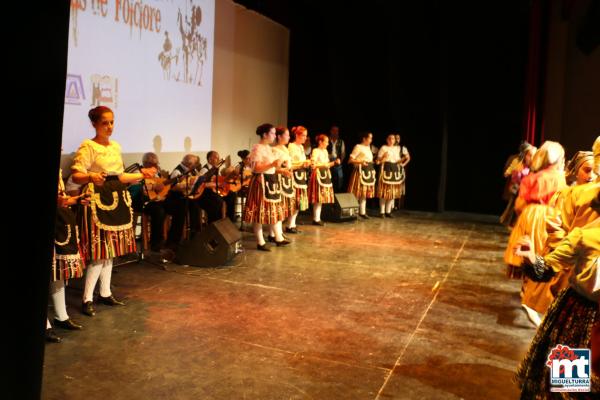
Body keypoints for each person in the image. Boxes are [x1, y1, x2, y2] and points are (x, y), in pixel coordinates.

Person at [71, 106, 156, 316]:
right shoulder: (88, 146)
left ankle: (106, 292)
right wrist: (91, 176)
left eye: (112, 122)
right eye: (105, 123)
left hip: (116, 197)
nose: (109, 127)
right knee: (99, 252)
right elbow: (76, 176)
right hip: (97, 201)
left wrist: (141, 175)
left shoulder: (115, 146)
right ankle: (87, 298)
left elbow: (120, 176)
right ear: (94, 124)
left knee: (111, 251)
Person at [514, 223, 600, 398]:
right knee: (570, 386)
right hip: (580, 318)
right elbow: (546, 269)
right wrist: (531, 258)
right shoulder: (587, 236)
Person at [503, 141, 566, 326]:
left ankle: (527, 290)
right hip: (550, 217)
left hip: (530, 215)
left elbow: (519, 205)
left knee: (527, 253)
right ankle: (534, 294)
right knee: (544, 254)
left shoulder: (531, 178)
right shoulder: (559, 179)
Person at [46, 168, 87, 342]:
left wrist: (75, 200)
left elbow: (61, 199)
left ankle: (61, 316)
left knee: (57, 272)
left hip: (59, 223)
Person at [243, 123, 289, 251]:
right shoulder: (257, 148)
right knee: (259, 211)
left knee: (273, 209)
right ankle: (260, 241)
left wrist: (282, 170)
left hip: (270, 181)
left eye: (275, 133)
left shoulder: (268, 148)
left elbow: (271, 167)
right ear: (264, 134)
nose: (275, 135)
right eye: (272, 133)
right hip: (261, 182)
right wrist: (273, 164)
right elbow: (256, 168)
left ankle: (278, 237)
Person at [128, 152, 167, 253]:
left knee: (168, 205)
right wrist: (145, 188)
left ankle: (164, 240)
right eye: (151, 165)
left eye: (155, 164)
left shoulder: (157, 172)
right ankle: (155, 243)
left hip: (152, 201)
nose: (155, 167)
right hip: (138, 202)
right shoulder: (137, 171)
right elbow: (132, 189)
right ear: (145, 163)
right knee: (159, 211)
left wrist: (160, 196)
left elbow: (159, 187)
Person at [163, 154, 201, 252]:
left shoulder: (193, 171)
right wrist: (186, 186)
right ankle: (173, 242)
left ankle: (195, 235)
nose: (196, 165)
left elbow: (197, 180)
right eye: (194, 163)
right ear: (189, 163)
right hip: (174, 199)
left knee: (195, 206)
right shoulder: (177, 171)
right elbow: (173, 187)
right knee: (181, 210)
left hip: (185, 198)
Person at [267, 127, 295, 242]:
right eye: (286, 135)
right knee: (276, 208)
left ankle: (277, 233)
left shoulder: (285, 148)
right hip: (277, 180)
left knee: (282, 208)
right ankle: (272, 234)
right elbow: (272, 168)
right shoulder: (274, 149)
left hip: (286, 181)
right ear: (279, 137)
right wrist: (282, 169)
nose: (288, 137)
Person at [500, 142, 536, 227]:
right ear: (525, 155)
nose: (531, 158)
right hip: (517, 188)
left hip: (526, 190)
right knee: (513, 205)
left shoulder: (533, 167)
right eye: (529, 155)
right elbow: (513, 172)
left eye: (533, 156)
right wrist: (508, 173)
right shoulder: (518, 163)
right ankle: (510, 222)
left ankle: (516, 223)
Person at [309, 134, 340, 225]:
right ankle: (316, 219)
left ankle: (318, 218)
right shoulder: (315, 150)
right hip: (318, 175)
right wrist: (325, 164)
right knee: (318, 197)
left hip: (325, 174)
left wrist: (334, 163)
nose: (327, 144)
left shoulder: (325, 151)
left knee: (321, 198)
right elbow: (313, 165)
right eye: (326, 142)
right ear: (320, 142)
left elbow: (327, 164)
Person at [287, 126, 312, 233]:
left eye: (306, 136)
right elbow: (290, 163)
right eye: (303, 135)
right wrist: (302, 164)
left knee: (298, 202)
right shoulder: (291, 146)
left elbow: (301, 162)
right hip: (294, 176)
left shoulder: (301, 147)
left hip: (301, 175)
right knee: (294, 201)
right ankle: (289, 225)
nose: (305, 138)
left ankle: (292, 224)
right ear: (297, 135)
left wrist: (307, 163)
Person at [348, 132, 377, 219]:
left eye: (371, 138)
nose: (371, 140)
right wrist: (360, 162)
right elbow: (350, 160)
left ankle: (363, 212)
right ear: (364, 138)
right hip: (360, 172)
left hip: (368, 172)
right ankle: (354, 213)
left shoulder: (368, 148)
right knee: (357, 192)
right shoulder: (358, 147)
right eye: (370, 138)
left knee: (364, 193)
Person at [196, 151, 227, 223]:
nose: (219, 159)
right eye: (217, 158)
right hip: (205, 194)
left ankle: (227, 222)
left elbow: (219, 180)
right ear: (209, 159)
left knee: (231, 195)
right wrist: (217, 184)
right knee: (217, 202)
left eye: (218, 157)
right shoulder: (204, 170)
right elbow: (203, 184)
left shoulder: (216, 169)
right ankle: (214, 224)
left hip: (214, 192)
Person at [376, 134, 403, 218]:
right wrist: (383, 157)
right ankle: (382, 212)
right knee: (384, 191)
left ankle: (388, 211)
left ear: (395, 140)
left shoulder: (397, 148)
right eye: (390, 139)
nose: (391, 140)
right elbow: (378, 159)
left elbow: (397, 159)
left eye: (393, 139)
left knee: (392, 192)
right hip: (386, 169)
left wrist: (403, 160)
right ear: (387, 140)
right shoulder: (383, 148)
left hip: (394, 169)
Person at [394, 133, 411, 210]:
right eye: (395, 138)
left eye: (398, 138)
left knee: (398, 186)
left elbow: (408, 158)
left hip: (398, 169)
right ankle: (390, 206)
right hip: (389, 168)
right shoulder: (388, 147)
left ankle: (397, 205)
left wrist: (403, 165)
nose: (397, 140)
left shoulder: (402, 148)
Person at [328, 125, 346, 192]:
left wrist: (340, 161)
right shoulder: (327, 140)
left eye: (337, 131)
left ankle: (337, 192)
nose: (335, 132)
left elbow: (343, 153)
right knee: (329, 178)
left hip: (337, 161)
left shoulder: (341, 141)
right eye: (334, 130)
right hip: (328, 161)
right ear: (331, 131)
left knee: (339, 178)